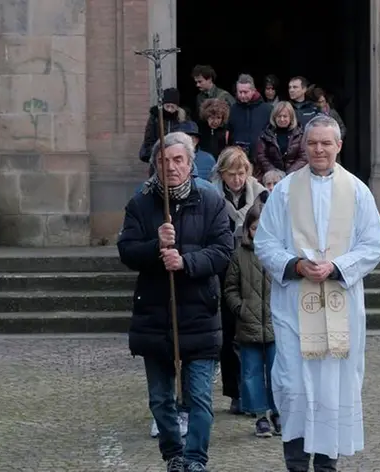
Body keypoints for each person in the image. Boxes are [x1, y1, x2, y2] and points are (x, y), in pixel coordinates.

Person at [254, 115, 380, 472]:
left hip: (341, 310)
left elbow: (373, 244)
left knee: (333, 392)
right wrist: (296, 266)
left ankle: (327, 466)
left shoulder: (358, 191)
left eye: (326, 143)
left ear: (338, 146)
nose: (319, 150)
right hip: (294, 309)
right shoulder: (283, 191)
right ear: (304, 146)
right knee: (294, 388)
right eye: (313, 143)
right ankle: (295, 465)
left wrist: (337, 267)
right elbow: (264, 242)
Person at [117, 131, 234, 472]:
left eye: (178, 160)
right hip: (155, 314)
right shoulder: (141, 203)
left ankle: (196, 460)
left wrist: (186, 261)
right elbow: (126, 251)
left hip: (198, 313)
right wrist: (156, 245)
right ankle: (174, 454)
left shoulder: (210, 200)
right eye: (163, 161)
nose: (171, 167)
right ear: (154, 164)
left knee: (198, 397)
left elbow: (223, 250)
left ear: (190, 164)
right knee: (161, 399)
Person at [209, 146, 267, 415]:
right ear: (222, 174)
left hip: (252, 268)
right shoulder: (210, 195)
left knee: (253, 334)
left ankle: (257, 394)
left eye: (242, 173)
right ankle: (235, 392)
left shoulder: (261, 195)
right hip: (222, 267)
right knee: (229, 330)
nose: (237, 179)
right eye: (231, 174)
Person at [223, 203, 280, 438]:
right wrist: (242, 309)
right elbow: (230, 288)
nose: (260, 232)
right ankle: (260, 416)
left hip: (276, 324)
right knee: (251, 373)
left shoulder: (280, 253)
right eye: (255, 227)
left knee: (278, 372)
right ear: (248, 229)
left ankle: (279, 412)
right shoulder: (240, 255)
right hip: (248, 325)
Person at [254, 101, 308, 179]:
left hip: (294, 176)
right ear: (274, 117)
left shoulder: (300, 134)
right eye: (279, 116)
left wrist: (288, 174)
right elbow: (261, 156)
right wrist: (274, 173)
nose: (282, 119)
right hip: (271, 177)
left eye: (285, 116)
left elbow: (304, 157)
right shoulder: (265, 134)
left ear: (291, 117)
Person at [139, 88, 187, 162]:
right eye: (167, 106)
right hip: (158, 155)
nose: (169, 110)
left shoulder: (182, 119)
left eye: (172, 107)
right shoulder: (155, 117)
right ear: (163, 105)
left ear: (177, 107)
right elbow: (149, 139)